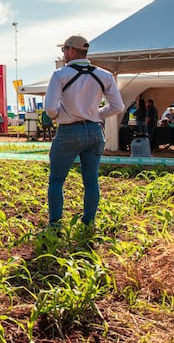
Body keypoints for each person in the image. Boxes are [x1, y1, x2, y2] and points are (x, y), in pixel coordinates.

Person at [44, 35, 124, 230]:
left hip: (69, 131)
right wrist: (98, 113)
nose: (63, 54)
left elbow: (50, 109)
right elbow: (118, 106)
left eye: (63, 50)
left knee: (56, 180)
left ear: (71, 50)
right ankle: (88, 222)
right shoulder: (104, 75)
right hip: (95, 131)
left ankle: (55, 225)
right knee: (91, 181)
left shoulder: (61, 75)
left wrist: (59, 115)